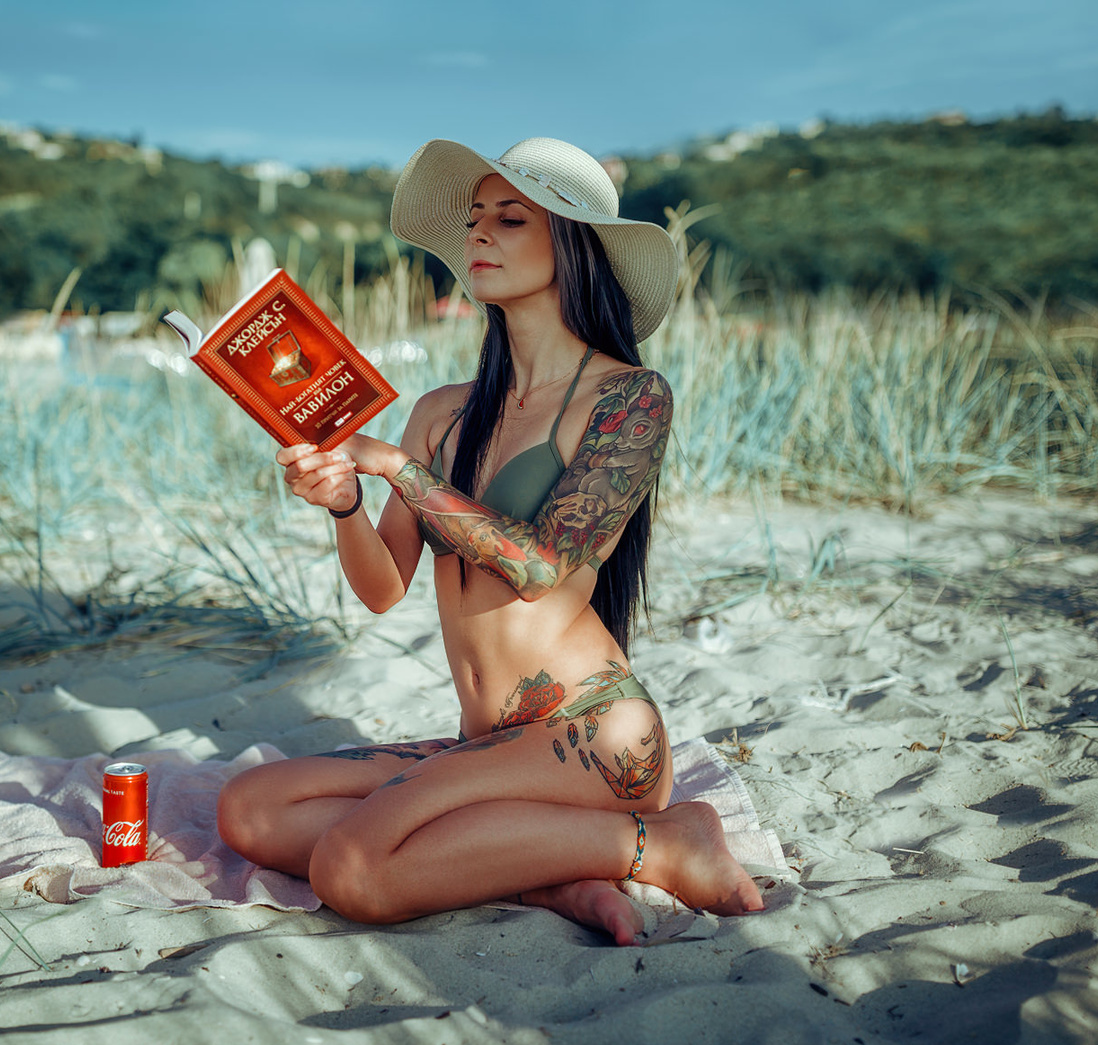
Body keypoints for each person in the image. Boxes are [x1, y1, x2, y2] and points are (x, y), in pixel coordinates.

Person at [217, 138, 763, 945]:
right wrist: (343, 508)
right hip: (494, 743)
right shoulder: (444, 410)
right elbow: (382, 590)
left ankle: (656, 842)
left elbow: (542, 566)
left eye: (511, 218)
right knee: (252, 810)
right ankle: (558, 883)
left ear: (575, 248)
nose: (478, 235)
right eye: (474, 220)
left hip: (593, 735)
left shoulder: (629, 397)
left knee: (354, 869)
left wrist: (399, 470)